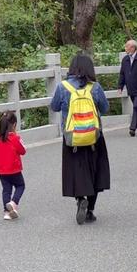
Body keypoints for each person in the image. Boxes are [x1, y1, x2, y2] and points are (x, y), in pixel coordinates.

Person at [50, 53, 110, 225]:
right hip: (94, 137)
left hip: (72, 138)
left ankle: (80, 199)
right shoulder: (95, 87)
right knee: (95, 172)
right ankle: (90, 210)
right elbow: (105, 108)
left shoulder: (63, 87)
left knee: (75, 172)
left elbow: (54, 107)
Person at [0, 111, 26, 220]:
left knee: (6, 190)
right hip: (14, 169)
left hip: (1, 171)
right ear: (14, 125)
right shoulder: (15, 138)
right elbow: (23, 151)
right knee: (20, 186)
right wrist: (17, 137)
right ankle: (13, 203)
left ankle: (6, 212)